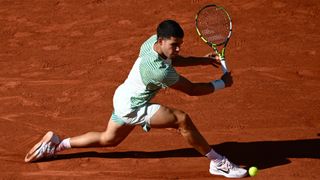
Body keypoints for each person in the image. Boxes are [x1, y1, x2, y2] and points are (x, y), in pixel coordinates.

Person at [24, 19, 247, 178]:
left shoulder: (151, 43)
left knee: (108, 140)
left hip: (122, 96)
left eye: (180, 44)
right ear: (161, 40)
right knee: (182, 119)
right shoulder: (158, 71)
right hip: (133, 106)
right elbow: (192, 90)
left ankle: (57, 145)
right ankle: (218, 163)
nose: (178, 49)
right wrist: (221, 84)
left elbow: (172, 60)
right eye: (174, 45)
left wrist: (201, 60)